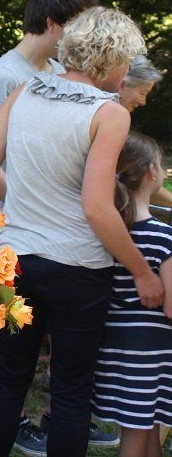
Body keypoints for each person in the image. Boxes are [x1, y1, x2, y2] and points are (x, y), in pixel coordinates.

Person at [0, 7, 163, 457]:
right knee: (71, 393)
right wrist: (142, 272)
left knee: (8, 382)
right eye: (125, 62)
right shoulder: (109, 114)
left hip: (16, 260)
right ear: (110, 59)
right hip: (78, 269)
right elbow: (97, 207)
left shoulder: (23, 93)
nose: (125, 74)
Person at [0, 0, 97, 203]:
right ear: (52, 24)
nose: (79, 39)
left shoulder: (59, 70)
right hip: (15, 214)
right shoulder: (4, 76)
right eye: (74, 29)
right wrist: (23, 206)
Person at [91, 132, 172, 457]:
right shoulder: (164, 237)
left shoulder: (105, 236)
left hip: (113, 347)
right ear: (152, 173)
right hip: (149, 354)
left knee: (145, 428)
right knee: (136, 437)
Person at [117, 56, 172, 208]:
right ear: (122, 84)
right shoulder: (113, 120)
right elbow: (139, 182)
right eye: (143, 92)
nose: (143, 102)